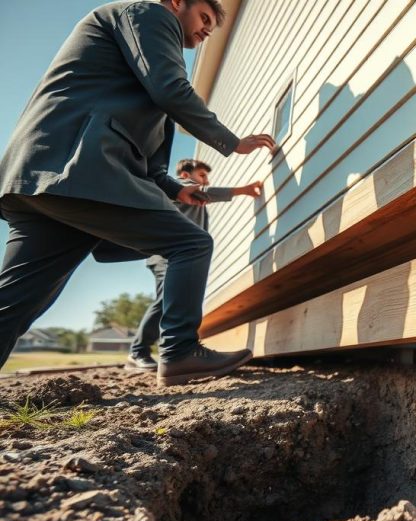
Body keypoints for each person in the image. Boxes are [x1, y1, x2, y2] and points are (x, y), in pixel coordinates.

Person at [0, 0, 275, 385]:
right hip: (80, 168)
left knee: (14, 303)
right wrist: (231, 142)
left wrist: (176, 191)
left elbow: (146, 161)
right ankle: (179, 352)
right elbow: (171, 89)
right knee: (190, 244)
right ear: (178, 3)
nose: (207, 30)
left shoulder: (135, 66)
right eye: (205, 18)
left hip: (44, 176)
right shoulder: (149, 14)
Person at [125, 159, 262, 371]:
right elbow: (206, 192)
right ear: (187, 176)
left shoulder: (191, 203)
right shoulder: (179, 185)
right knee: (165, 300)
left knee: (168, 299)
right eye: (202, 175)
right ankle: (138, 352)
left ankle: (149, 351)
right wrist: (242, 190)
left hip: (174, 254)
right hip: (165, 254)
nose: (205, 180)